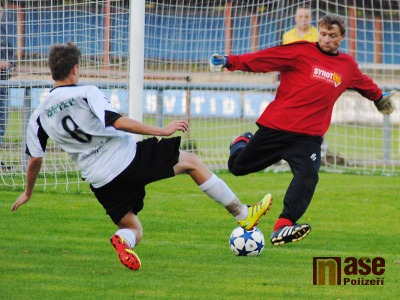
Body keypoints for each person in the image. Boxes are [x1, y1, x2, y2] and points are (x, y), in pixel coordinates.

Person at [10, 42, 272, 271]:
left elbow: (35, 159)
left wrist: (28, 192)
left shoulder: (39, 114)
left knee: (134, 229)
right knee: (191, 162)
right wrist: (162, 130)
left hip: (100, 181)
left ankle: (123, 241)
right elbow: (117, 122)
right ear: (76, 68)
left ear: (51, 70)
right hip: (127, 158)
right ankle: (242, 213)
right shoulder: (85, 92)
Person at [210, 14, 395, 246]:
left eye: (333, 36)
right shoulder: (300, 51)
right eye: (324, 34)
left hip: (309, 138)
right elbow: (265, 59)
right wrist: (230, 61)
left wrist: (378, 97)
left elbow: (363, 82)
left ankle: (283, 225)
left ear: (342, 38)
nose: (327, 39)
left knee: (308, 175)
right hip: (278, 127)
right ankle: (242, 141)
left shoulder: (347, 66)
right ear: (319, 32)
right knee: (237, 168)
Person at [0, 2, 15, 169]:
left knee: (2, 122)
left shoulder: (3, 33)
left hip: (4, 82)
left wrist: (13, 65)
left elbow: (10, 54)